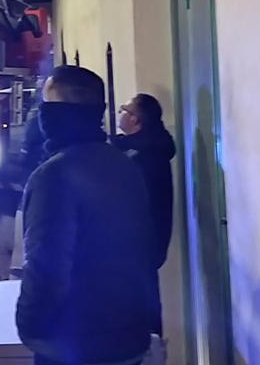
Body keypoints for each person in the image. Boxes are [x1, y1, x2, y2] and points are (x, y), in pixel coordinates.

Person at [16, 66, 156, 365]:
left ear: (57, 114)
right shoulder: (124, 165)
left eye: (47, 106)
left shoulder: (54, 175)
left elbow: (46, 267)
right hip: (128, 339)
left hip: (76, 346)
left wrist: (30, 328)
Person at [115, 93, 176, 334]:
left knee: (141, 314)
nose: (120, 113)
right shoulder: (144, 150)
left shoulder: (143, 157)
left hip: (137, 249)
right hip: (144, 248)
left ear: (135, 120)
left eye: (124, 109)